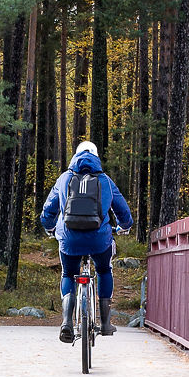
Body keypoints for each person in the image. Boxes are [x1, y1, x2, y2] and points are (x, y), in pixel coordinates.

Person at [39, 140, 133, 344]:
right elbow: (123, 213)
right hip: (99, 240)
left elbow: (48, 211)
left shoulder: (64, 179)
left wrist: (50, 227)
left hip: (69, 239)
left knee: (67, 273)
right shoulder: (106, 181)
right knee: (104, 270)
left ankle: (66, 322)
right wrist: (124, 227)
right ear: (97, 157)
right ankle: (106, 323)